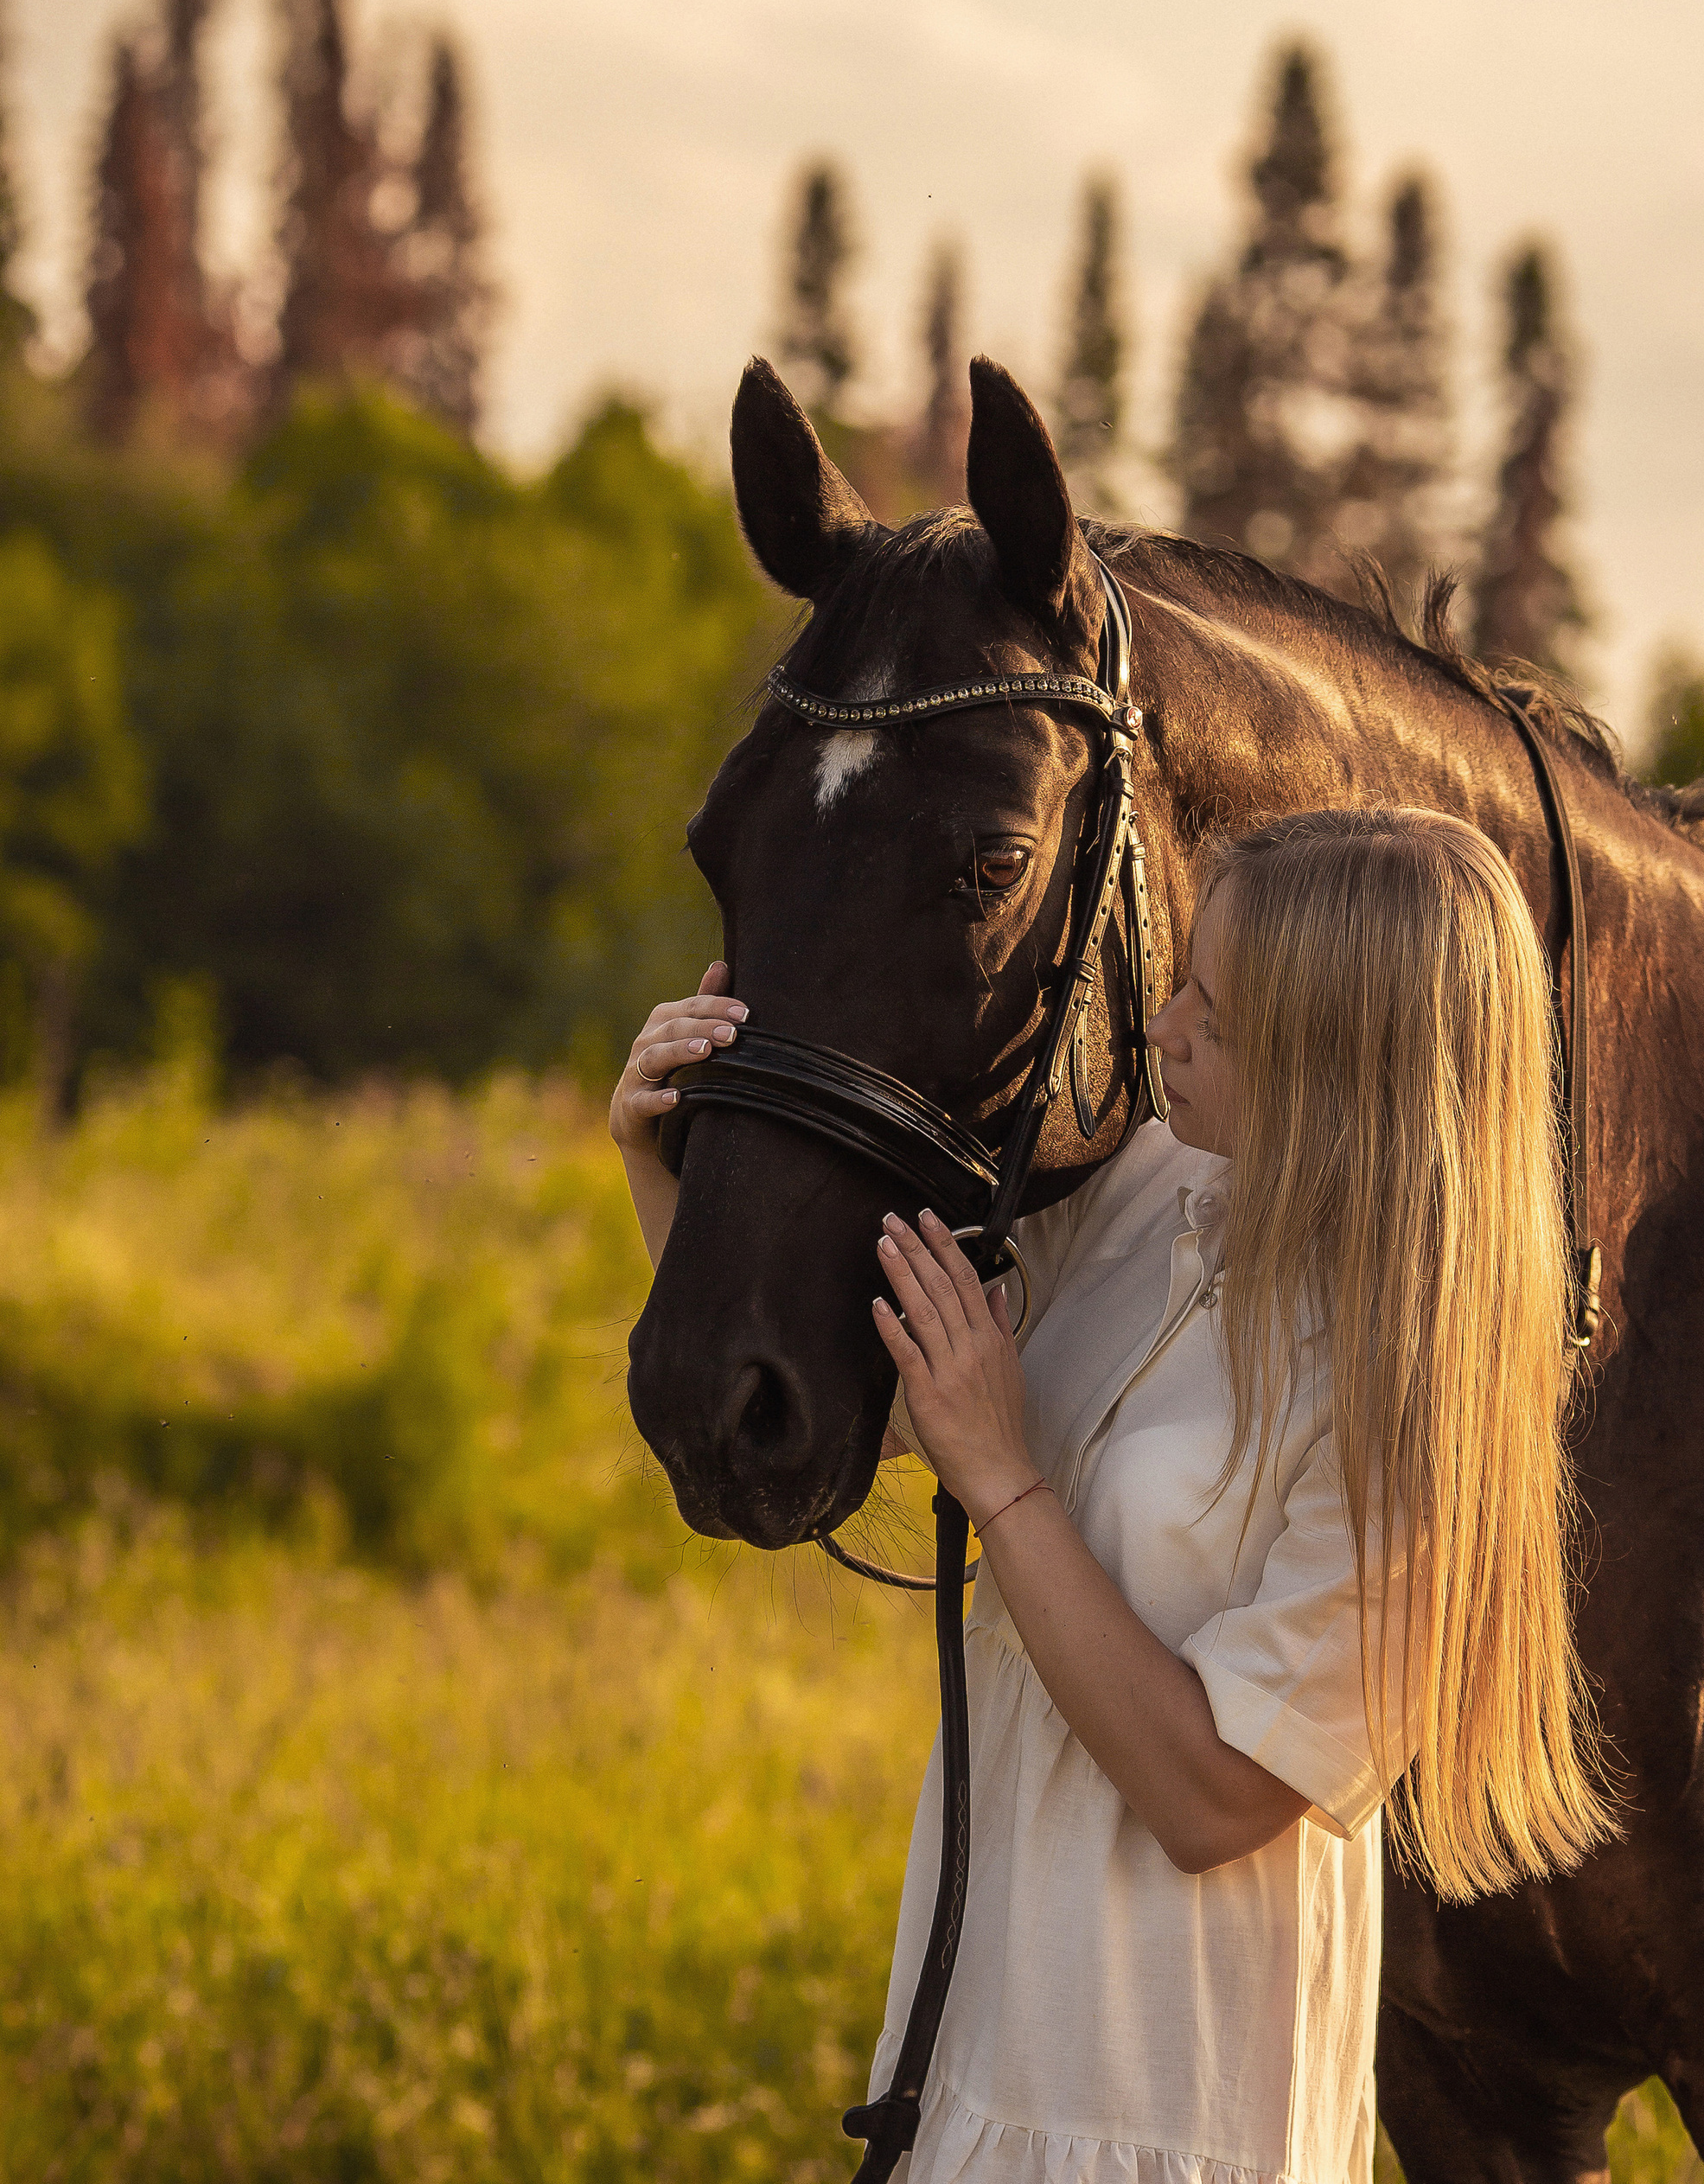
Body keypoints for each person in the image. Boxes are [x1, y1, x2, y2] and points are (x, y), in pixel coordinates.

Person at [610, 807, 1617, 2183]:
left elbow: (1213, 1799)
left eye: (1217, 1003)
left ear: (1341, 1059)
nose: (1169, 1020)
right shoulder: (1147, 1201)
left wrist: (1006, 1479)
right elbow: (841, 1398)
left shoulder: (1411, 1401)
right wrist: (665, 1161)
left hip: (1172, 2103)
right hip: (973, 2049)